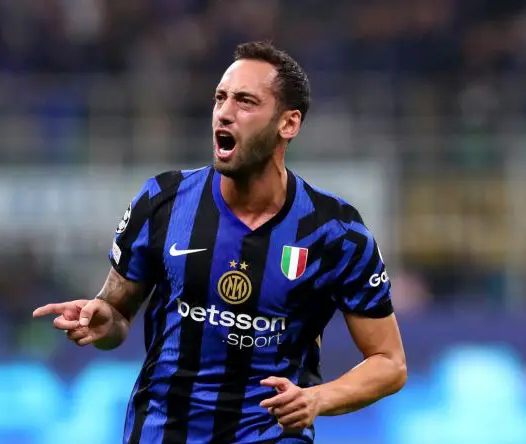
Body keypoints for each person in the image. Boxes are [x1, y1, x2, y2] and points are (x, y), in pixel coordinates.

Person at [33, 41, 407, 444]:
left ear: (289, 123)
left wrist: (318, 399)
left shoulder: (336, 233)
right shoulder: (163, 201)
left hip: (270, 436)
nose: (225, 113)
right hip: (163, 432)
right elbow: (116, 316)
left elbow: (389, 362)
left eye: (245, 101)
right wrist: (102, 320)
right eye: (220, 98)